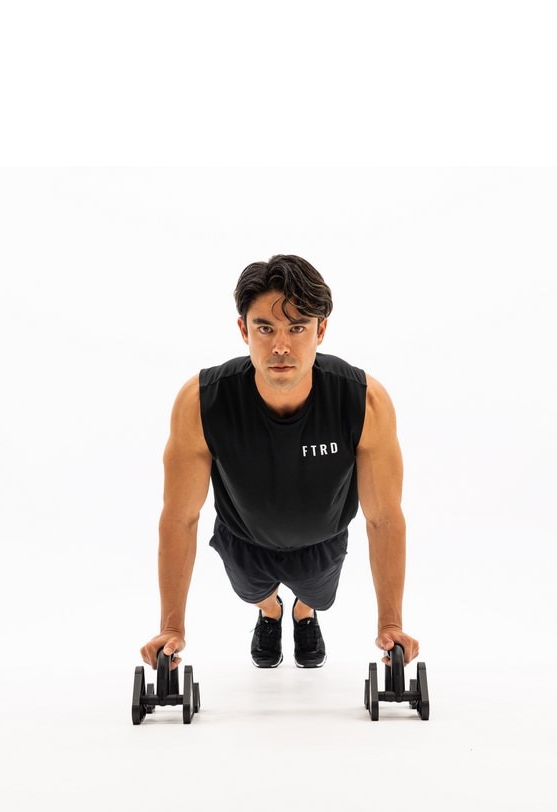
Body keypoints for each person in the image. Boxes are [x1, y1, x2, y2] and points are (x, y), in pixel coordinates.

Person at [139, 254, 419, 674]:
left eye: (298, 327)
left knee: (315, 593)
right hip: (243, 540)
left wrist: (391, 624)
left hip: (321, 542)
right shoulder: (201, 402)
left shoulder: (364, 401)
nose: (281, 346)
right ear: (243, 330)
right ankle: (270, 611)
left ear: (320, 330)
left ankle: (304, 611)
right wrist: (171, 628)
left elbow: (383, 518)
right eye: (265, 328)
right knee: (254, 592)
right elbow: (180, 517)